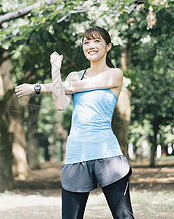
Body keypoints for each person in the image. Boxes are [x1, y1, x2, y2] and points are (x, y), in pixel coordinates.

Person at [15, 26, 134, 219]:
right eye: (86, 42)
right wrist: (55, 68)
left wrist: (36, 87)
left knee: (124, 217)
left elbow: (76, 87)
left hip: (108, 155)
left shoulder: (115, 74)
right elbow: (60, 103)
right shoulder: (73, 75)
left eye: (96, 41)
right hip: (76, 154)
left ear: (108, 46)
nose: (91, 46)